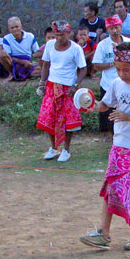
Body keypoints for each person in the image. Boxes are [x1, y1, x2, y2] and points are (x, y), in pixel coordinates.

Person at [79, 42, 130, 251]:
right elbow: (105, 104)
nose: (122, 73)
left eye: (126, 69)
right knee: (112, 188)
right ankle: (103, 233)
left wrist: (128, 117)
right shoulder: (116, 83)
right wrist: (91, 105)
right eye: (118, 69)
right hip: (120, 146)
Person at [36, 21, 87, 163]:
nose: (59, 38)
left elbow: (83, 69)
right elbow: (46, 64)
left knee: (68, 120)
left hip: (68, 88)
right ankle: (54, 148)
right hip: (52, 86)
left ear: (69, 34)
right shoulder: (50, 45)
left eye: (62, 35)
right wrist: (42, 83)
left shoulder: (76, 49)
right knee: (49, 117)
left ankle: (66, 149)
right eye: (57, 35)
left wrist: (75, 85)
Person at [92, 15, 130, 135]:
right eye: (111, 28)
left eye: (117, 27)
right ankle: (112, 140)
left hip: (126, 84)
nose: (114, 31)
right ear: (107, 30)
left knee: (126, 112)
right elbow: (96, 65)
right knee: (109, 117)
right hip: (108, 85)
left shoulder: (128, 42)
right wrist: (113, 64)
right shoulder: (103, 45)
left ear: (121, 27)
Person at [0, 17, 40, 82]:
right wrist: (22, 62)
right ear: (9, 29)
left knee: (40, 71)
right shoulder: (6, 38)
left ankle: (25, 74)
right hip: (13, 63)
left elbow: (37, 52)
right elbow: (9, 57)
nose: (15, 29)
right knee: (1, 53)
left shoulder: (30, 36)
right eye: (12, 28)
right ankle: (11, 73)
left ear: (21, 27)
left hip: (27, 63)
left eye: (17, 26)